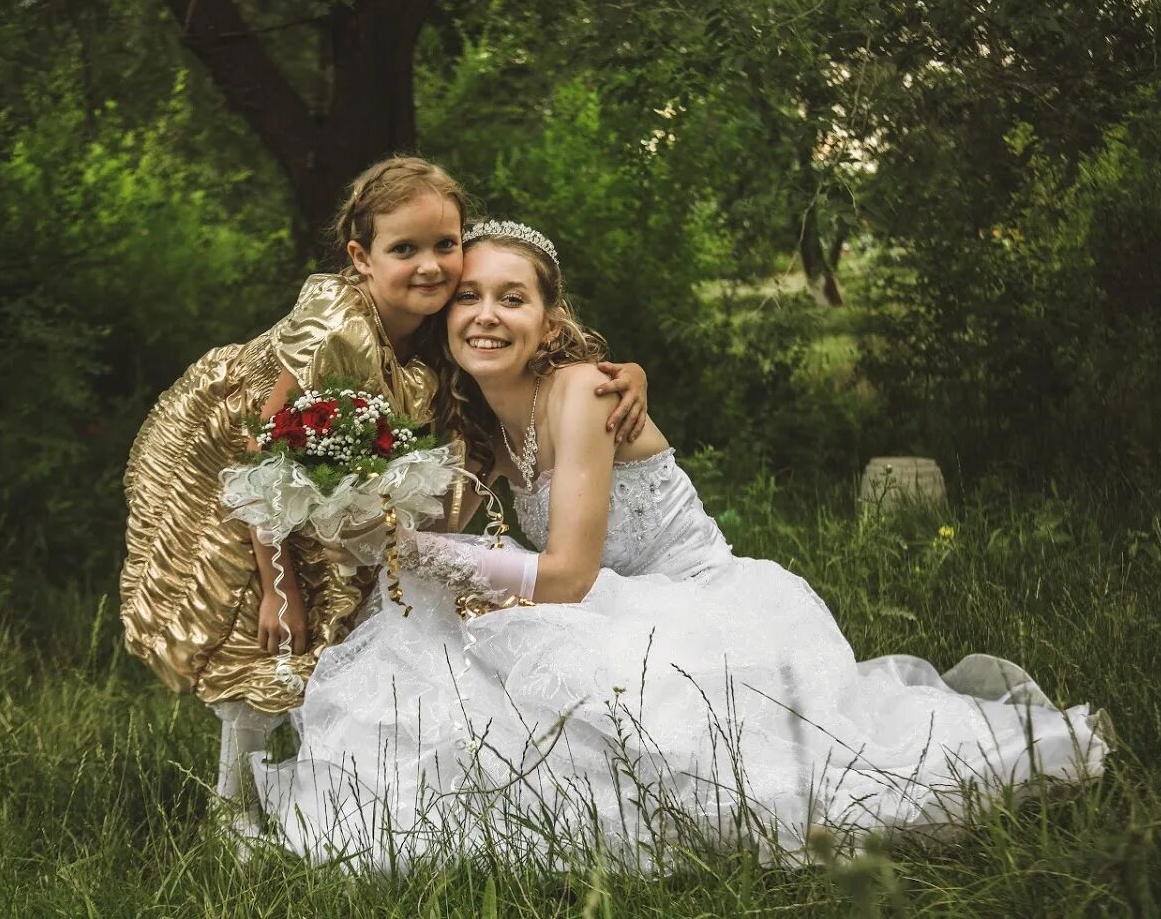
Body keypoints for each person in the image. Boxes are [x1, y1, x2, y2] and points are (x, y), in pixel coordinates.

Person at [250, 220, 1111, 871]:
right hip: (605, 611)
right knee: (430, 638)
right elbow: (455, 540)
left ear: (550, 322)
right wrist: (365, 512)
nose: (485, 314)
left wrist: (426, 553)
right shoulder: (478, 418)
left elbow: (568, 574)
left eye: (512, 298)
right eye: (468, 297)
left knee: (768, 780)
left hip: (697, 609)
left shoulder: (583, 391)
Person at [118, 162, 649, 822]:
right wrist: (279, 584)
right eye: (405, 250)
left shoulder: (436, 315)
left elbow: (537, 354)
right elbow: (263, 454)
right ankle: (234, 803)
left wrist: (630, 374)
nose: (430, 265)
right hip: (234, 454)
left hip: (320, 465)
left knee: (346, 602)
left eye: (444, 246)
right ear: (360, 258)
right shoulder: (335, 326)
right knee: (266, 622)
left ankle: (312, 770)